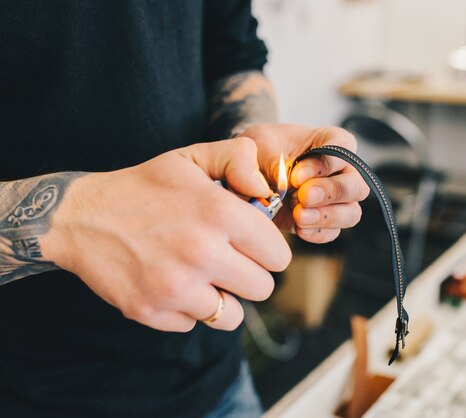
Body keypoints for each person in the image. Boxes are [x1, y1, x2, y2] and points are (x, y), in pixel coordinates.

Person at [0, 1, 369, 417]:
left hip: (215, 382)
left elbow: (234, 55)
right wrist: (69, 220)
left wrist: (245, 145)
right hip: (27, 392)